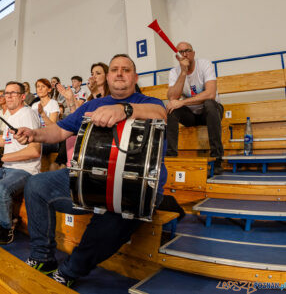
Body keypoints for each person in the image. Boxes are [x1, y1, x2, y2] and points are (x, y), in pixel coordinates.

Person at [15, 54, 167, 287]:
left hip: (134, 189)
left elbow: (161, 115)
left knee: (111, 220)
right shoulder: (92, 105)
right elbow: (59, 132)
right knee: (36, 185)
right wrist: (35, 134)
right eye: (114, 69)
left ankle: (69, 270)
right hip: (89, 180)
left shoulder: (151, 103)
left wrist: (124, 110)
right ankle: (42, 257)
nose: (119, 73)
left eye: (125, 70)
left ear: (135, 77)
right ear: (107, 77)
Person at [0, 81, 41, 244]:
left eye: (13, 93)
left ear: (23, 96)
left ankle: (7, 226)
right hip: (8, 168)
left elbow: (34, 151)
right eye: (6, 93)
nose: (8, 96)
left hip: (25, 170)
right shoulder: (11, 116)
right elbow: (3, 141)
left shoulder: (28, 114)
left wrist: (1, 159)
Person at [166, 41, 223, 174]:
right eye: (181, 52)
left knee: (209, 103)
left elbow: (210, 94)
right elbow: (172, 97)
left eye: (188, 50)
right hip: (191, 116)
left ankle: (217, 158)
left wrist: (183, 102)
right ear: (177, 57)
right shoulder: (174, 72)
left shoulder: (204, 64)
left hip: (211, 112)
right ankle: (171, 158)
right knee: (171, 109)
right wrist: (183, 72)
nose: (185, 54)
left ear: (194, 53)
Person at [31, 78, 61, 155]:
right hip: (37, 137)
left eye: (43, 86)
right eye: (38, 86)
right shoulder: (34, 105)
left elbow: (52, 127)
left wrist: (42, 114)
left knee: (32, 147)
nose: (40, 89)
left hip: (50, 139)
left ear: (49, 90)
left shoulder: (53, 103)